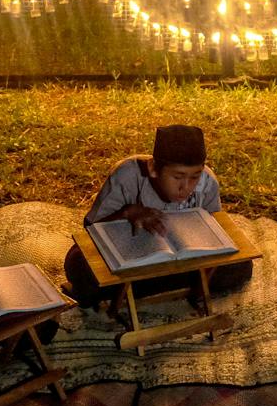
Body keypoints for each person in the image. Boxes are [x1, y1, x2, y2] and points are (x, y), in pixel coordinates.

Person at [63, 124, 252, 307]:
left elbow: (214, 231)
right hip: (132, 258)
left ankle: (129, 290)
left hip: (182, 261)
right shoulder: (128, 174)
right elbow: (90, 230)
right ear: (153, 168)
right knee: (78, 262)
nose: (185, 187)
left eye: (194, 177)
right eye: (177, 177)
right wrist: (127, 212)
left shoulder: (208, 182)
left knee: (241, 266)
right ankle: (172, 285)